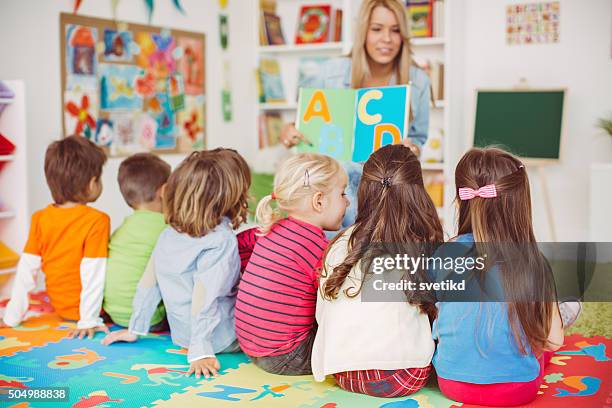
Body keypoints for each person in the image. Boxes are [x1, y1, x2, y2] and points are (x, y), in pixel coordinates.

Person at [431, 147, 579, 406]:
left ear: (461, 200)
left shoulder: (444, 253)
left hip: (451, 384)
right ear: (519, 204)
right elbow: (554, 342)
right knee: (546, 328)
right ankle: (563, 312)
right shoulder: (532, 262)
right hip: (516, 390)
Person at [281, 0, 431, 228]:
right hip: (330, 200)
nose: (387, 39)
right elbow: (305, 122)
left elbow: (419, 137)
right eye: (377, 29)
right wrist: (290, 131)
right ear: (363, 32)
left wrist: (413, 149)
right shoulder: (331, 72)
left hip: (386, 198)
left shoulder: (418, 80)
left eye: (395, 30)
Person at [102, 149, 250, 379]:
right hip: (218, 338)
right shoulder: (221, 240)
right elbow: (205, 296)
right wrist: (200, 350)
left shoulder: (169, 233)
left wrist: (136, 327)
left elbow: (149, 282)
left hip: (182, 334)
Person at [312, 144, 441, 397]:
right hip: (404, 375)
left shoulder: (340, 242)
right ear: (418, 192)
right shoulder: (424, 243)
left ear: (364, 190)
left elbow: (322, 314)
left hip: (344, 372)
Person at [235, 153, 348, 375]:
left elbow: (238, 245)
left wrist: (263, 274)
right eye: (342, 194)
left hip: (249, 345)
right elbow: (338, 297)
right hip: (286, 356)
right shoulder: (316, 247)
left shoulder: (268, 229)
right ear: (319, 201)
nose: (348, 201)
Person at [2, 136, 110, 339]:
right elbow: (93, 273)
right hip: (89, 311)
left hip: (60, 307)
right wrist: (88, 319)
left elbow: (27, 270)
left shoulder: (40, 219)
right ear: (91, 184)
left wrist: (12, 316)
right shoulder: (97, 221)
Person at [102, 153, 171, 330]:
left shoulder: (122, 228)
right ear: (164, 191)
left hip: (115, 313)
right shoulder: (167, 228)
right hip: (151, 319)